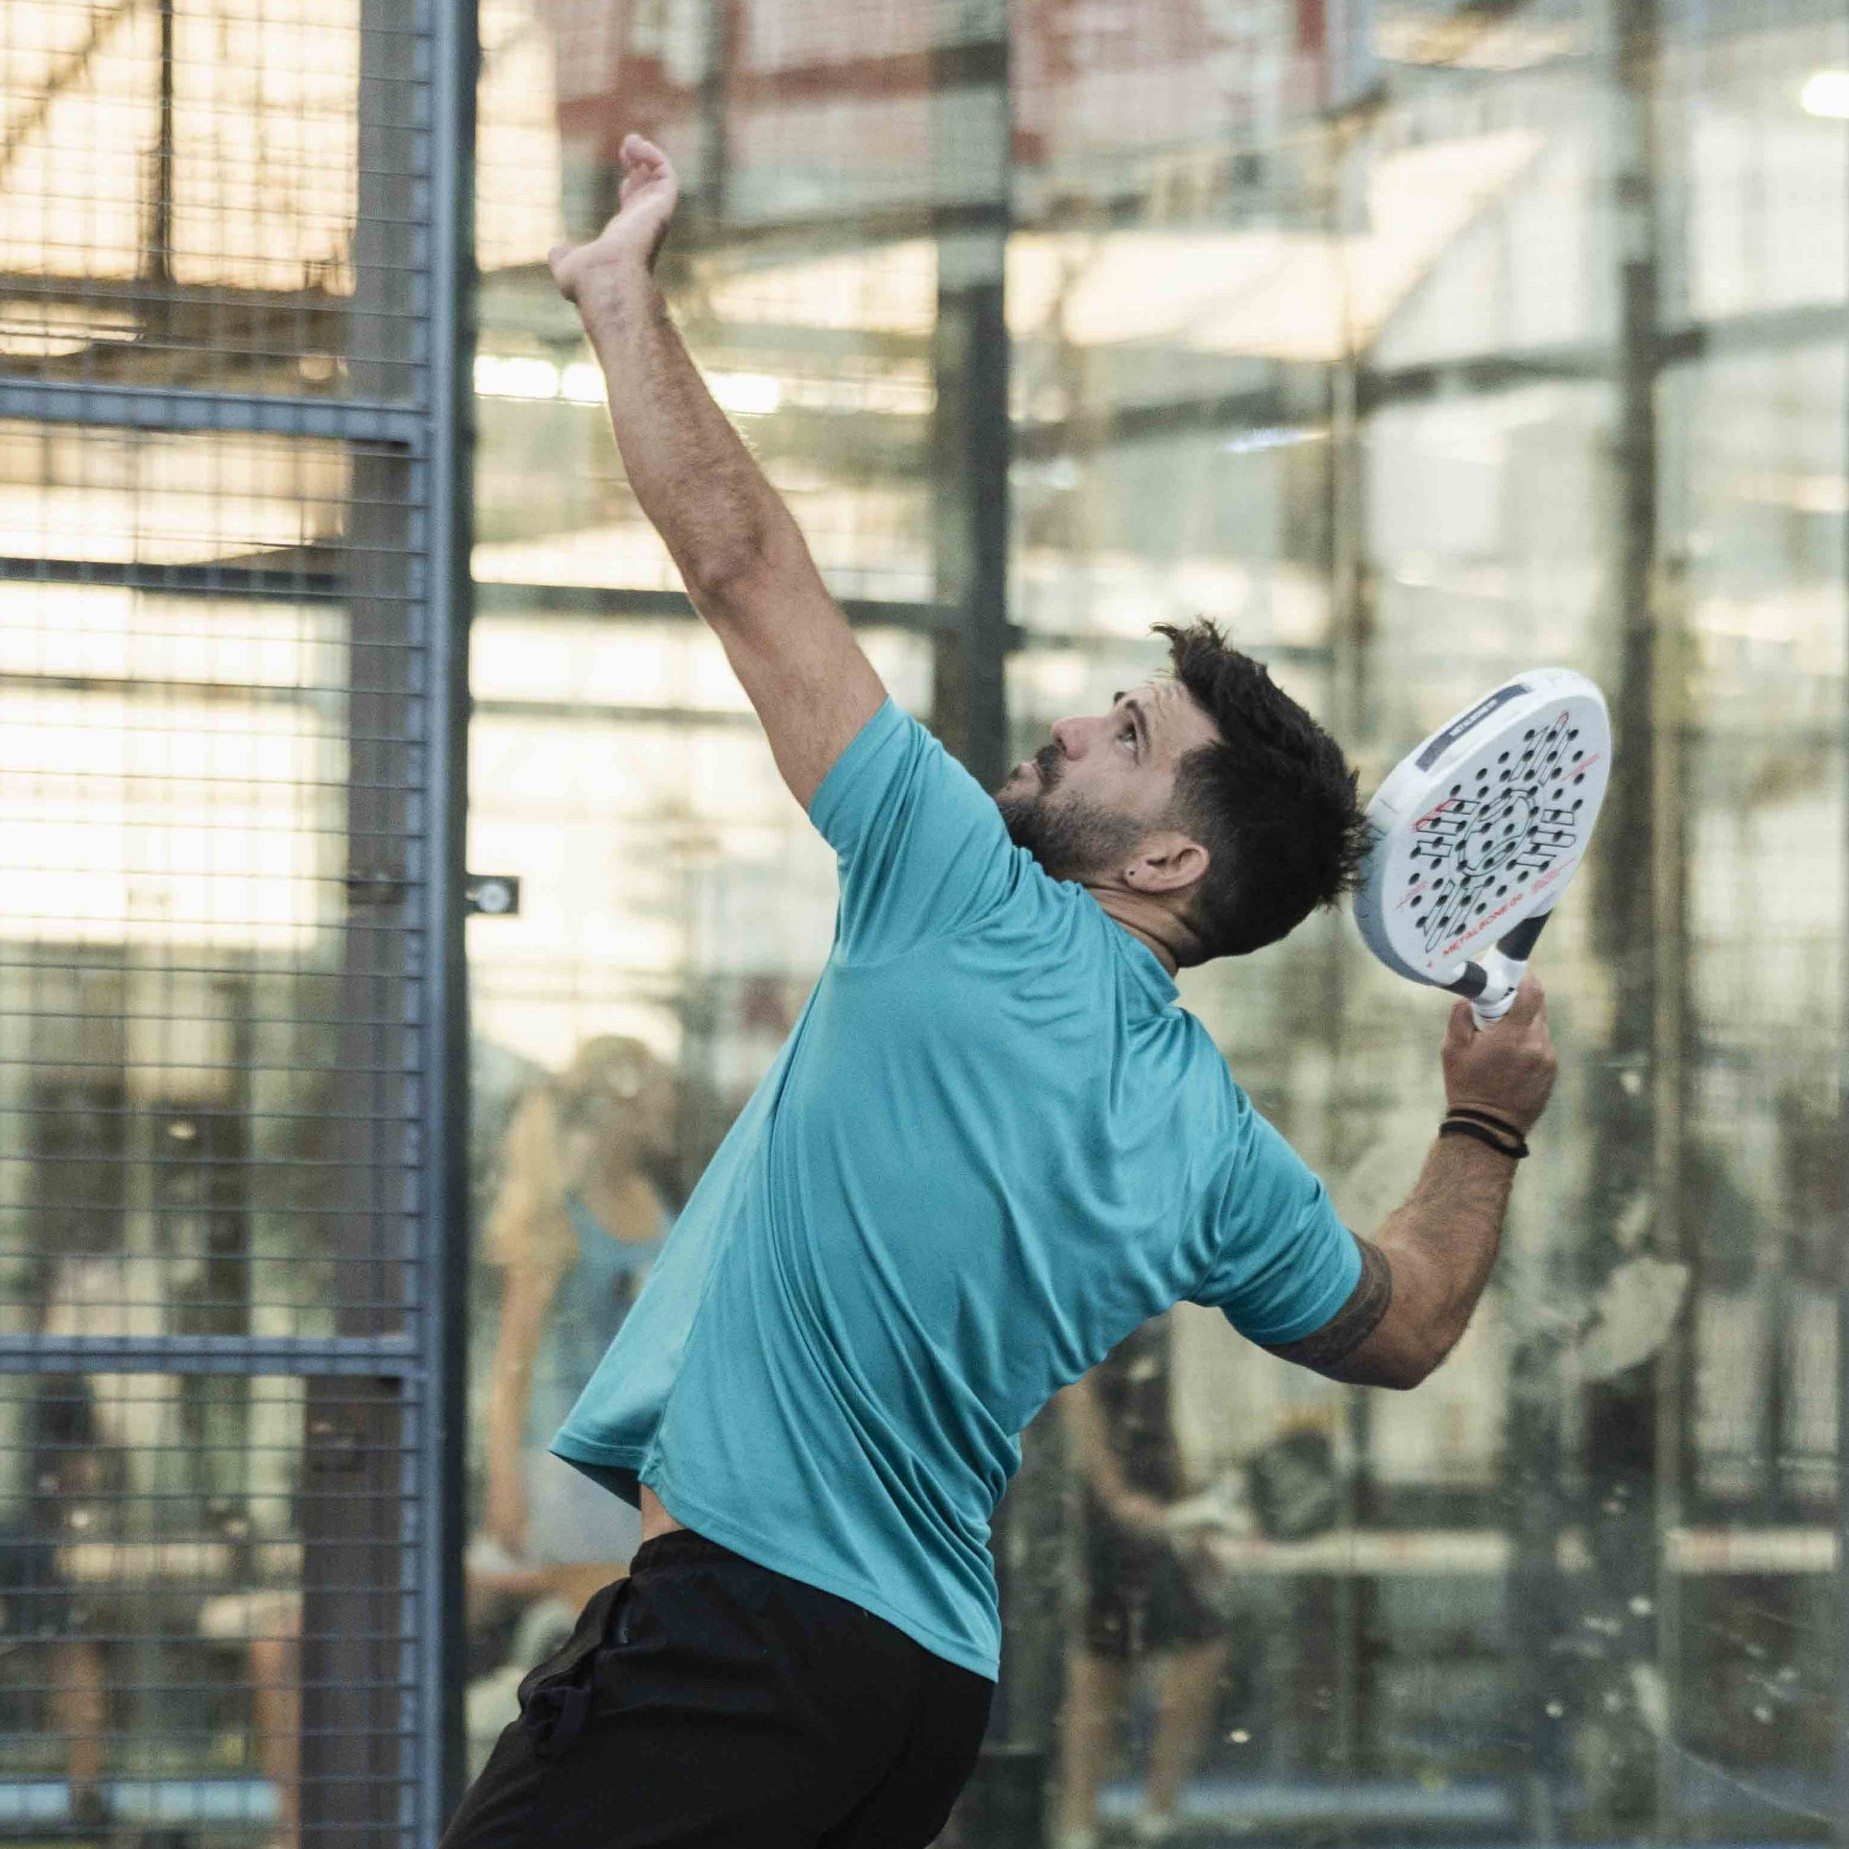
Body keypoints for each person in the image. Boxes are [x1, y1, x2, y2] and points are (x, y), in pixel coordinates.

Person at [440, 134, 1558, 1849]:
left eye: (1126, 732)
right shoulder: (1210, 1146)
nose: (1070, 723)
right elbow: (1402, 1322)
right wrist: (1482, 1119)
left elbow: (742, 564)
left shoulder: (962, 895)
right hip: (914, 1696)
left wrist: (617, 297)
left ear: (1166, 858)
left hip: (735, 1641)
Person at [1053, 1316, 1234, 1849]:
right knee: (1105, 1667)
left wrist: (1187, 1520)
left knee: (1120, 1661)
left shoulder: (1157, 1312)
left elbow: (1160, 1418)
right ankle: (1085, 1821)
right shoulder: (1098, 1295)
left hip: (1152, 1507)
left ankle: (1136, 1814)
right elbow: (1076, 1391)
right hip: (1115, 1511)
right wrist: (1114, 1496)